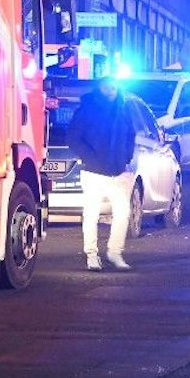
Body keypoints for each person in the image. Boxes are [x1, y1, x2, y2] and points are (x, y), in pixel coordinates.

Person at [64, 75, 138, 270]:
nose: (112, 91)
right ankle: (91, 255)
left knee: (122, 213)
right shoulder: (88, 110)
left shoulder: (123, 109)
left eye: (114, 88)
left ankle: (115, 252)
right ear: (100, 89)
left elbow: (131, 134)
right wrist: (90, 157)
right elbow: (73, 138)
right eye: (108, 88)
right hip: (94, 172)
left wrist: (126, 158)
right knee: (91, 214)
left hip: (118, 171)